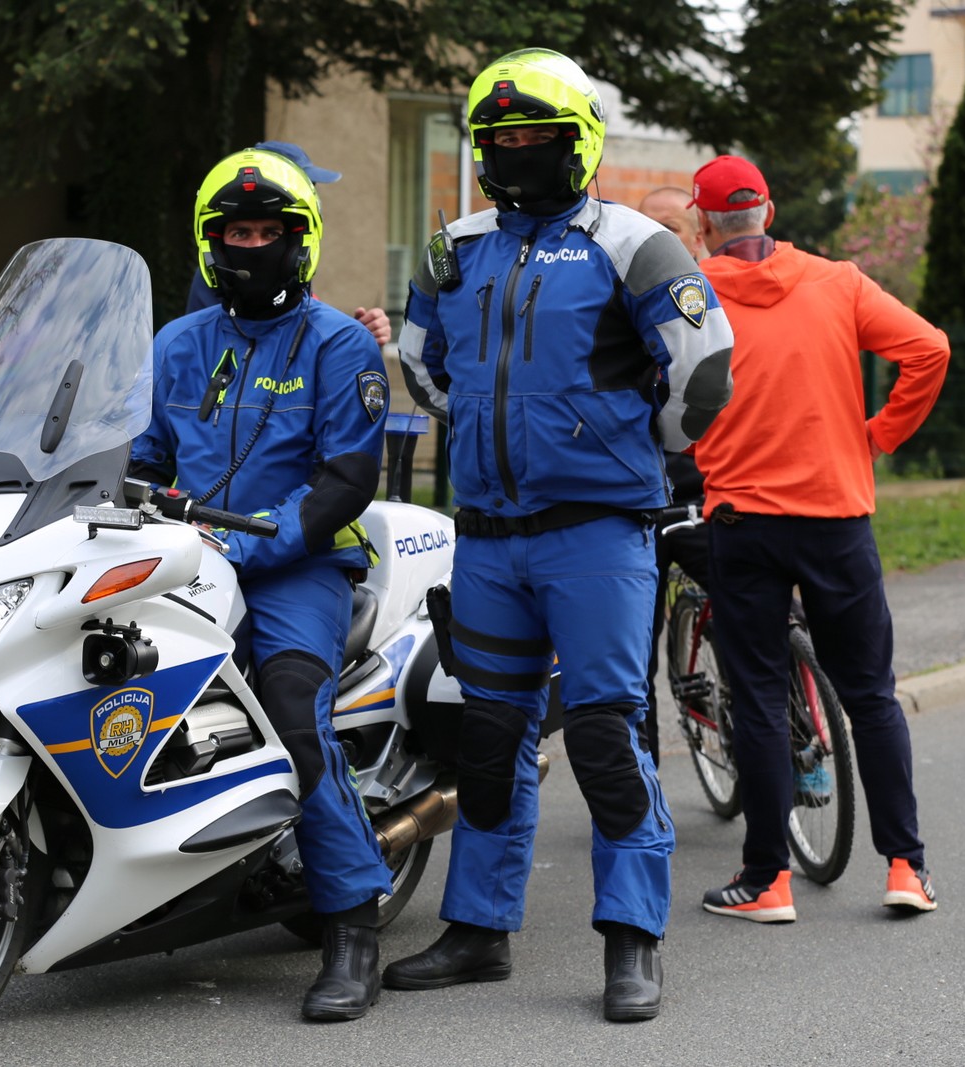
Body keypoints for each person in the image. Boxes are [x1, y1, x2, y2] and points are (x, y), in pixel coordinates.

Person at [390, 48, 734, 1022]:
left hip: (597, 536)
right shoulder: (452, 246)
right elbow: (422, 363)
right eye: (498, 136)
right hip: (490, 535)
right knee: (487, 740)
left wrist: (637, 450)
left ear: (577, 138)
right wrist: (495, 436)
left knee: (604, 736)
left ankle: (632, 938)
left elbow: (705, 369)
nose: (514, 148)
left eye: (533, 133)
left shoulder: (633, 243)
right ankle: (477, 930)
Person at [129, 147, 395, 1021]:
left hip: (299, 567)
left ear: (299, 240)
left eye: (267, 231)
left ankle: (351, 920)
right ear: (212, 244)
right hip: (182, 561)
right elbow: (137, 459)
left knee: (289, 708)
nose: (250, 244)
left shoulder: (339, 342)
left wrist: (251, 544)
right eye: (235, 231)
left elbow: (346, 478)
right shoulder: (178, 342)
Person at [686, 154, 949, 923]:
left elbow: (655, 391)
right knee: (870, 693)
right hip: (838, 519)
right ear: (768, 211)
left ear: (703, 224)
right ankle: (906, 866)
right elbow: (928, 348)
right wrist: (876, 436)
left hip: (744, 526)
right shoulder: (839, 282)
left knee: (761, 698)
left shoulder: (693, 296)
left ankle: (768, 879)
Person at [635, 186, 712, 766]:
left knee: (761, 623)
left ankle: (801, 750)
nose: (658, 239)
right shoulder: (624, 302)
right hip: (641, 499)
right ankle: (641, 784)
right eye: (647, 229)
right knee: (635, 655)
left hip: (712, 494)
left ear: (699, 236)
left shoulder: (717, 303)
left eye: (671, 227)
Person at [183, 140, 391, 347]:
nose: (310, 193)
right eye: (305, 183)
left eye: (272, 233)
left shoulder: (291, 261)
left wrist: (349, 335)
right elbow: (227, 344)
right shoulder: (224, 271)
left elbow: (298, 328)